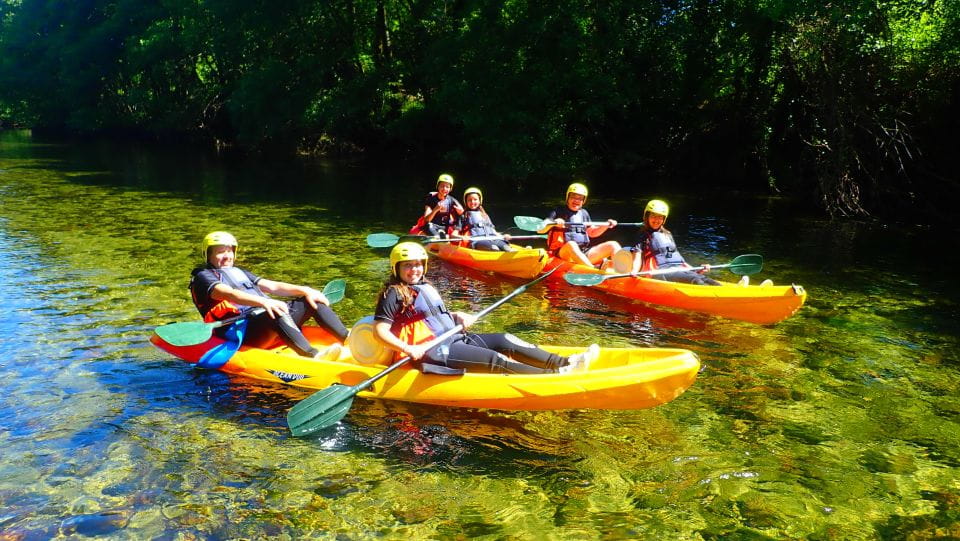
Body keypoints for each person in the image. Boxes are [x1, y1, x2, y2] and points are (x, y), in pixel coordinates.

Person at [372, 242, 598, 374]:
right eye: (408, 266)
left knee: (504, 339)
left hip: (454, 337)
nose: (415, 270)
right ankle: (553, 376)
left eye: (418, 264)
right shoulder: (392, 293)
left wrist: (456, 316)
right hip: (433, 352)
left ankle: (565, 362)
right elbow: (379, 331)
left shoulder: (424, 286)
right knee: (495, 360)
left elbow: (428, 316)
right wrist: (408, 348)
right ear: (397, 268)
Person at [189, 231, 348, 358]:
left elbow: (273, 286)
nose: (227, 256)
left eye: (229, 251)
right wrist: (265, 303)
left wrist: (305, 290)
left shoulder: (239, 272)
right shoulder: (203, 276)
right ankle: (314, 356)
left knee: (312, 301)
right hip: (241, 331)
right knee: (275, 311)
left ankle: (349, 340)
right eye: (220, 252)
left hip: (264, 321)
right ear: (208, 255)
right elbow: (228, 294)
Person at [627, 199, 726, 286]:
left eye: (660, 217)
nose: (657, 220)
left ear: (664, 219)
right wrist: (634, 271)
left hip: (677, 268)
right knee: (696, 281)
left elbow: (674, 257)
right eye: (653, 216)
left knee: (707, 280)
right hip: (659, 272)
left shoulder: (667, 234)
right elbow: (637, 256)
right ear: (647, 217)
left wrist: (697, 270)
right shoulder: (642, 235)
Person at [542, 181, 621, 268]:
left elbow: (592, 233)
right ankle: (592, 270)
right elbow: (540, 229)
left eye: (580, 198)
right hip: (562, 253)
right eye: (573, 197)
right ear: (567, 197)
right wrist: (553, 223)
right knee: (571, 244)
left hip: (583, 252)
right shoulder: (557, 211)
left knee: (613, 245)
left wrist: (605, 225)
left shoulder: (584, 213)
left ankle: (621, 273)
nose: (576, 200)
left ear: (583, 201)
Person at [454, 186, 514, 252]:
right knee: (494, 249)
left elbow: (493, 231)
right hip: (477, 241)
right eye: (469, 200)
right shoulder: (464, 216)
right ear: (466, 202)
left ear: (479, 201)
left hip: (494, 239)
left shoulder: (485, 215)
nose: (472, 202)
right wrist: (461, 237)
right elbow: (453, 235)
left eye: (475, 199)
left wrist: (503, 236)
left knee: (508, 249)